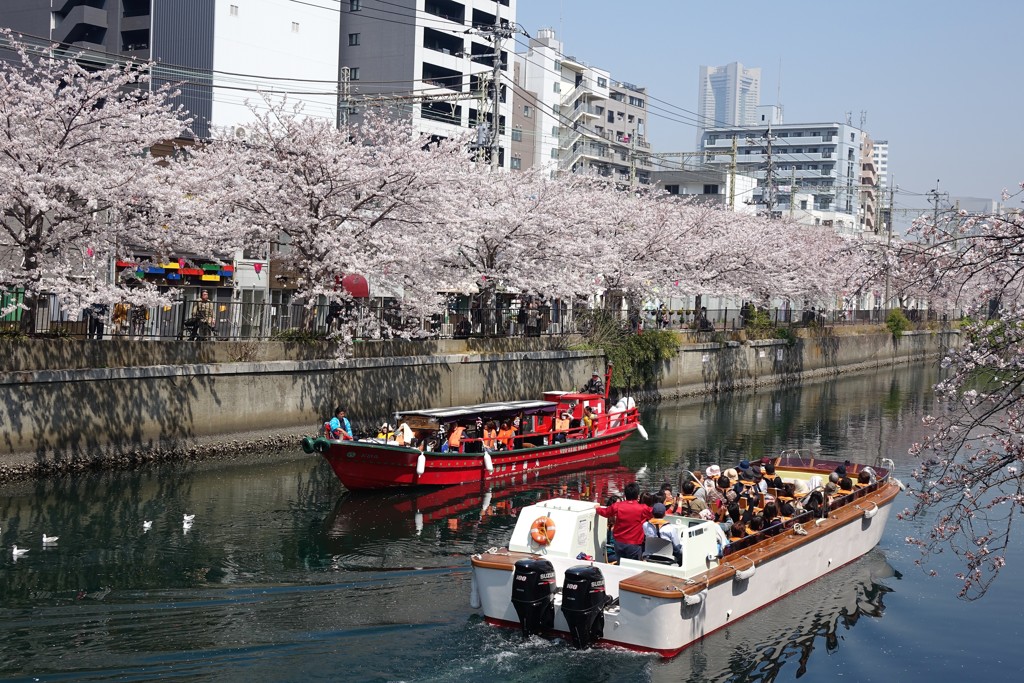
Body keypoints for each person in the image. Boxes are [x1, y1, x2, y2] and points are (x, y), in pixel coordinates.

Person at [596, 481, 651, 561]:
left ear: (625, 495)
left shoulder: (617, 506)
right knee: (633, 567)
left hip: (619, 543)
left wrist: (597, 508)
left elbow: (605, 512)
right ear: (637, 495)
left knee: (620, 564)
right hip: (634, 544)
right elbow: (655, 512)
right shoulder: (643, 508)